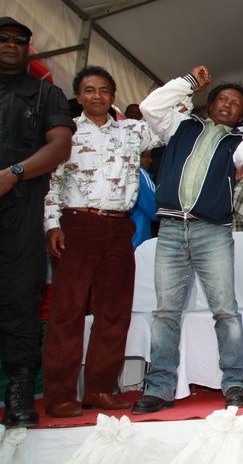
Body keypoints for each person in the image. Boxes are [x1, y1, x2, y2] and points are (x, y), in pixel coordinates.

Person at [132, 66, 243, 413]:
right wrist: (187, 83)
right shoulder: (181, 125)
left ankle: (235, 383)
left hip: (214, 232)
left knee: (225, 311)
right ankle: (159, 388)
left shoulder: (237, 145)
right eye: (221, 98)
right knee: (165, 313)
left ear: (241, 117)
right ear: (210, 103)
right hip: (172, 229)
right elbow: (150, 107)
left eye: (235, 104)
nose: (226, 104)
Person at [41, 66, 161, 418]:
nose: (97, 96)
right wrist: (52, 225)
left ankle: (99, 390)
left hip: (119, 227)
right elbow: (52, 182)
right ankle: (60, 395)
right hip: (76, 225)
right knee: (68, 312)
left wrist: (186, 84)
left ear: (113, 95)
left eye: (104, 90)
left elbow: (165, 117)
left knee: (114, 313)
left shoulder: (132, 131)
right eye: (90, 90)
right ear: (78, 96)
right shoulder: (65, 134)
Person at [0, 17, 74, 428]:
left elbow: (60, 145)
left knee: (20, 298)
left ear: (30, 48)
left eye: (20, 41)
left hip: (21, 205)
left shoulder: (46, 92)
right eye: (3, 39)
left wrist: (12, 173)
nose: (11, 45)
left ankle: (19, 392)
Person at [131, 149, 158, 248]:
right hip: (138, 236)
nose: (150, 160)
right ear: (139, 157)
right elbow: (154, 206)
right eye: (147, 156)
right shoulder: (140, 174)